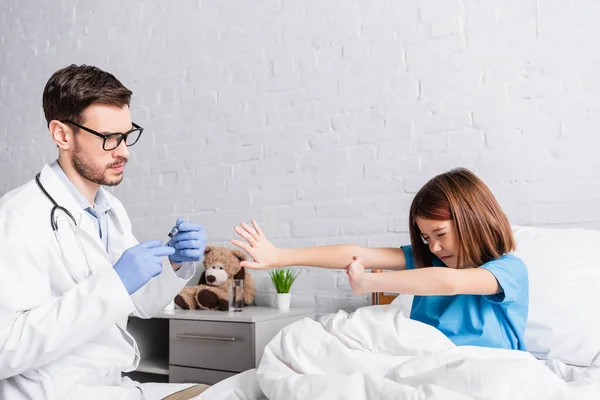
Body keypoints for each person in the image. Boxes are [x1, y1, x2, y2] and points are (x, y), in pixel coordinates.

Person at [0, 65, 208, 400]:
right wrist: (115, 282)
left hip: (109, 387)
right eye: (110, 138)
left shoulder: (109, 210)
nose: (124, 151)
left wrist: (174, 263)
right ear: (62, 135)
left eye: (126, 135)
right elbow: (5, 349)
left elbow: (140, 303)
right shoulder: (16, 217)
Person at [231, 168, 529, 351]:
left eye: (440, 233)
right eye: (426, 238)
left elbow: (450, 283)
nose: (435, 247)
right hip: (425, 359)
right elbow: (357, 253)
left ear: (473, 220)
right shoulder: (427, 260)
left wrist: (369, 281)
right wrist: (279, 257)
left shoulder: (507, 269)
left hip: (483, 366)